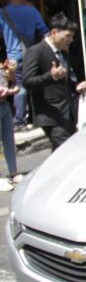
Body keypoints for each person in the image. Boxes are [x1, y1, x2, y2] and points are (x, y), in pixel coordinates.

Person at [22, 14, 86, 151]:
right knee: (68, 150)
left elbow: (65, 81)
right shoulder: (36, 51)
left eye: (72, 36)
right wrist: (50, 76)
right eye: (67, 36)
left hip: (68, 113)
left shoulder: (63, 53)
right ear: (54, 32)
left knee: (61, 155)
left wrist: (77, 87)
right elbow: (27, 81)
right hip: (49, 114)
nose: (71, 40)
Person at [0, 0, 49, 131]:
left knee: (19, 86)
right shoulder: (32, 11)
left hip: (13, 57)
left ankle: (20, 121)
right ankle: (37, 118)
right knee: (34, 84)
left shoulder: (3, 13)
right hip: (31, 54)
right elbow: (45, 32)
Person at [0, 58, 22, 192]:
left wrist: (13, 79)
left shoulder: (3, 63)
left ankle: (13, 173)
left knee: (9, 141)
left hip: (5, 105)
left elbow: (12, 83)